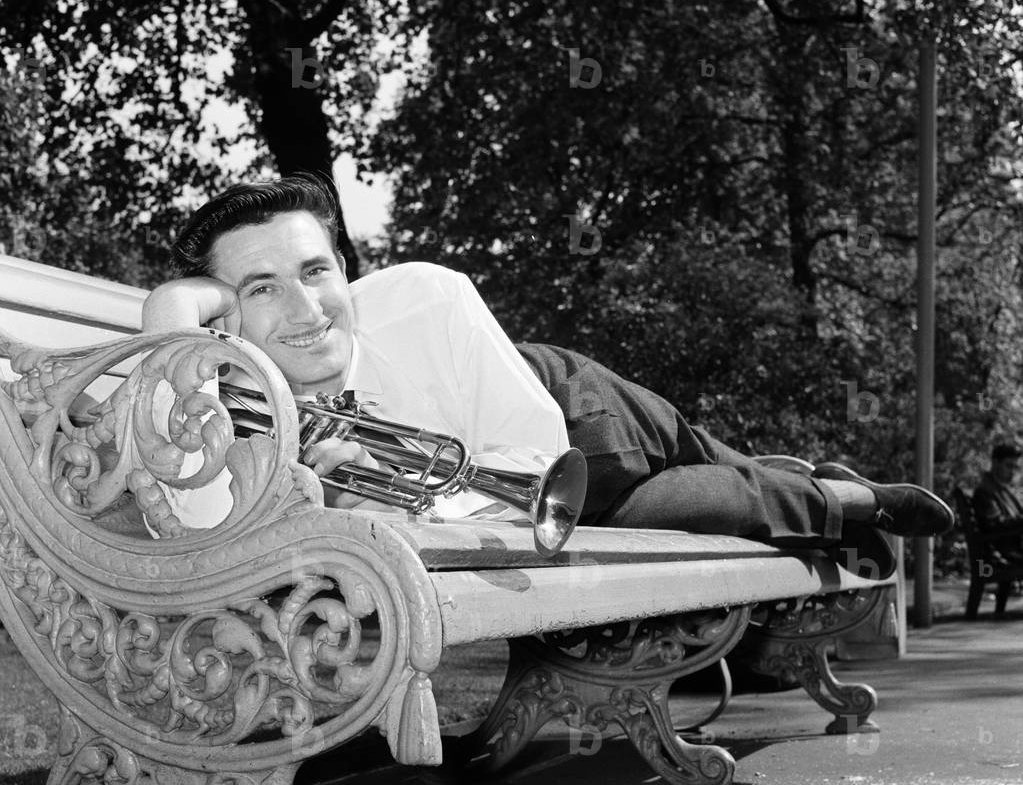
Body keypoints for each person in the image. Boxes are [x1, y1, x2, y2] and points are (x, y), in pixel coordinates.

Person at [141, 174, 954, 556]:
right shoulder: (227, 398)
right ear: (222, 313)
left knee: (698, 462)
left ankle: (842, 493)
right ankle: (825, 498)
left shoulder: (427, 296)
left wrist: (414, 510)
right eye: (261, 288)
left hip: (566, 416)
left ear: (345, 271)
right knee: (699, 508)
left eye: (316, 273)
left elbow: (533, 453)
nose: (307, 309)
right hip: (524, 512)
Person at [972, 442, 1023, 564]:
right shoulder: (985, 491)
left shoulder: (1003, 490)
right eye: (1009, 466)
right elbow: (996, 525)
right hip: (1005, 554)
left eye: (1015, 467)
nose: (1013, 472)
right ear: (995, 463)